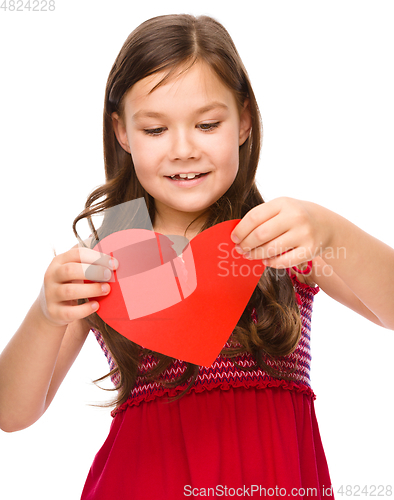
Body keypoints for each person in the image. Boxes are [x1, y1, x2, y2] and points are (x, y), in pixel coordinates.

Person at [0, 13, 393, 499]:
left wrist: (332, 230)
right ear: (122, 133)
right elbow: (13, 414)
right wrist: (44, 313)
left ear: (245, 120)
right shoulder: (111, 257)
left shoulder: (280, 238)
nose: (183, 149)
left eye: (207, 124)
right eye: (156, 130)